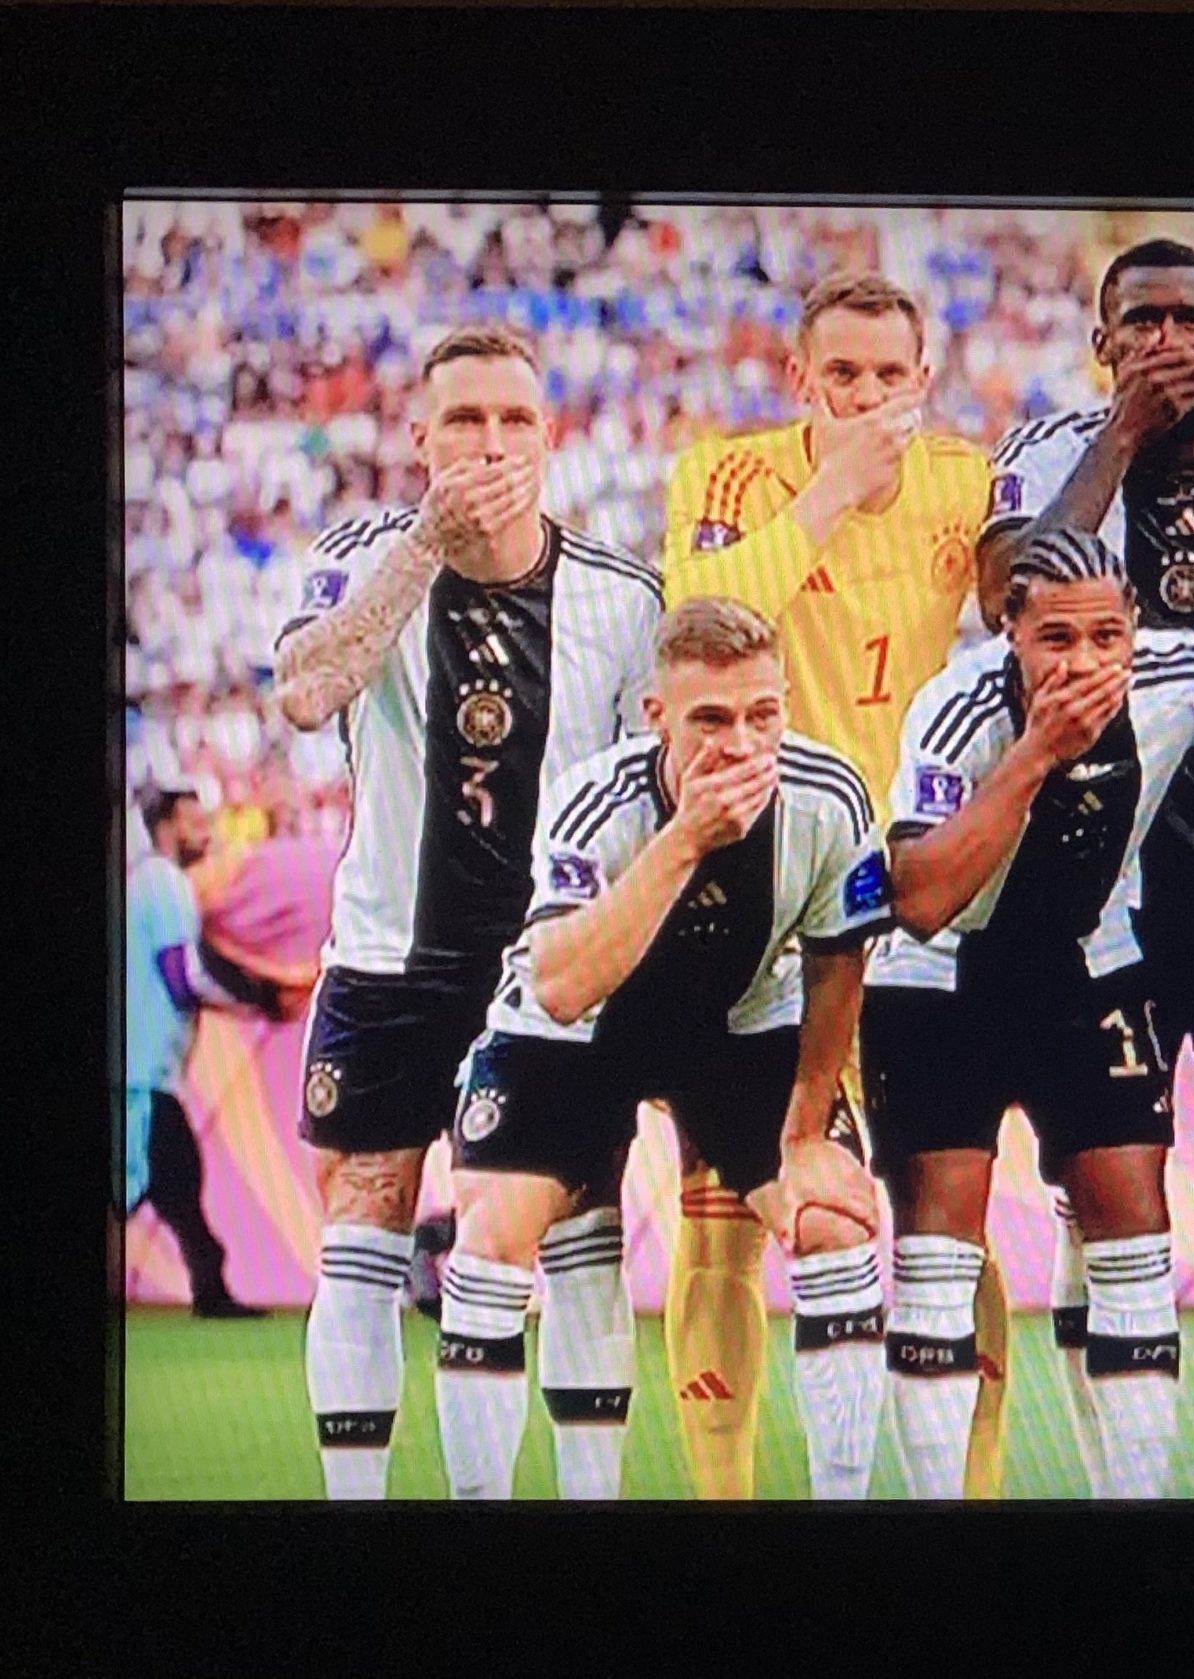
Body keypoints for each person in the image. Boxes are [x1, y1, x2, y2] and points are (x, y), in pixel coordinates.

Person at [273, 324, 660, 1499]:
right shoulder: (360, 559)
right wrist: (426, 546)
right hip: (390, 956)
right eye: (464, 420)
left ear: (551, 436)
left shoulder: (620, 595)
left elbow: (644, 800)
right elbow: (307, 692)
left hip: (549, 970)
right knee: (366, 1207)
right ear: (419, 438)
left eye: (513, 420)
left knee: (579, 1215)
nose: (490, 444)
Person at [977, 239, 1194, 1489]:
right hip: (1102, 894)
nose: (1167, 340)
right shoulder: (1046, 456)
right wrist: (1119, 434)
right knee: (1102, 1193)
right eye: (1140, 322)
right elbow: (1004, 598)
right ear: (1102, 343)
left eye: (1188, 319)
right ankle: (1113, 1482)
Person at [659, 271, 1000, 1501]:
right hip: (765, 899)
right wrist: (832, 491)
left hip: (914, 899)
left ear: (924, 380)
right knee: (724, 1213)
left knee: (942, 1216)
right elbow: (700, 621)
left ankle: (971, 1495)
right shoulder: (725, 475)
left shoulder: (966, 481)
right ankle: (726, 1502)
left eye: (887, 375)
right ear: (799, 379)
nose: (864, 396)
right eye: (840, 374)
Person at [435, 599, 893, 1501]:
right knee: (491, 1238)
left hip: (738, 1025)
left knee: (835, 1223)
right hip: (576, 1036)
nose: (741, 743)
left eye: (763, 714)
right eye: (710, 719)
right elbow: (562, 984)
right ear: (658, 717)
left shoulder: (829, 797)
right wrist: (685, 838)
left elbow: (839, 966)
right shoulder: (592, 800)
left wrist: (806, 1132)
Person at [862, 526, 1194, 1500]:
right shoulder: (954, 709)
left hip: (1089, 965)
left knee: (1135, 1228)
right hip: (942, 977)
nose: (1083, 663)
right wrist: (1036, 751)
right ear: (1010, 631)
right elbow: (921, 896)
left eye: (1105, 638)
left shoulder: (1185, 677)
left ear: (1135, 630)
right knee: (938, 1251)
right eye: (1056, 640)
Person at [123, 787, 285, 1317]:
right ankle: (212, 1293)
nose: (208, 833)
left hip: (141, 1070)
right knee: (171, 1179)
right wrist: (259, 999)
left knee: (176, 1187)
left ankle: (211, 1289)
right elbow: (184, 976)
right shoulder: (166, 883)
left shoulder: (139, 886)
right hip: (143, 1075)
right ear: (168, 827)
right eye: (196, 822)